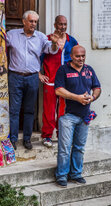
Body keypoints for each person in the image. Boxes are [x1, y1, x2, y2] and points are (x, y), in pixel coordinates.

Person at [6, 10, 59, 150]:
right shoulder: (12, 35)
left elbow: (51, 50)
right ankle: (13, 139)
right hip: (15, 76)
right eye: (31, 21)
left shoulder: (40, 37)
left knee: (30, 110)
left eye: (35, 22)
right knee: (14, 110)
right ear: (24, 21)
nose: (33, 24)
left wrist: (54, 43)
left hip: (32, 78)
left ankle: (27, 139)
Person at [54, 45, 101, 187]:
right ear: (71, 56)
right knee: (65, 148)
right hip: (67, 116)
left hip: (85, 116)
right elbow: (58, 90)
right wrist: (77, 98)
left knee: (79, 147)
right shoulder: (63, 70)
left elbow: (97, 87)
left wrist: (92, 98)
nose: (81, 59)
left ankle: (76, 174)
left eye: (83, 56)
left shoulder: (89, 70)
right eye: (77, 56)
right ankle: (62, 175)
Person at [39, 15, 78, 147]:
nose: (63, 27)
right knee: (49, 109)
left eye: (65, 24)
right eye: (60, 24)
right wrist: (39, 73)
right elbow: (38, 57)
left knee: (63, 109)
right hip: (50, 80)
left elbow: (77, 59)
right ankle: (47, 136)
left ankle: (61, 133)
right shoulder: (47, 39)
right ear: (55, 25)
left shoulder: (71, 41)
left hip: (66, 82)